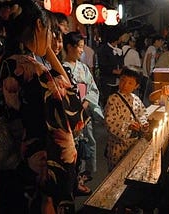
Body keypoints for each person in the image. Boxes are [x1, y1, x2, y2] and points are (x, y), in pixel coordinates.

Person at [0, 1, 84, 213]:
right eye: (50, 31)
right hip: (42, 175)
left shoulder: (1, 63)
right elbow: (74, 115)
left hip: (16, 165)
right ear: (39, 27)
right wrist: (50, 54)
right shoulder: (34, 70)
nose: (52, 38)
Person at [62, 31, 103, 195]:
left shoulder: (83, 68)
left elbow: (92, 89)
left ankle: (81, 177)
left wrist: (85, 104)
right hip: (69, 116)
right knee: (72, 148)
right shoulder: (61, 68)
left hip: (84, 113)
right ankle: (71, 181)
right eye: (79, 47)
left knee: (86, 144)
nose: (81, 50)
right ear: (69, 47)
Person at [104, 66, 149, 172]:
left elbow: (142, 114)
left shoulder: (136, 99)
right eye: (123, 80)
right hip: (118, 146)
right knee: (117, 171)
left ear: (136, 86)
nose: (125, 85)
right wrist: (128, 126)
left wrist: (143, 124)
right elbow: (110, 122)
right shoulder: (113, 99)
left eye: (130, 83)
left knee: (130, 169)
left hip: (133, 144)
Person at [97, 26, 125, 107]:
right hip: (107, 81)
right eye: (120, 36)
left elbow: (121, 63)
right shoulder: (103, 50)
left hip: (118, 81)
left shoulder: (119, 48)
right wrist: (115, 71)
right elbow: (102, 66)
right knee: (108, 103)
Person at [142, 35, 164, 106]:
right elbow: (148, 60)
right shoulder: (152, 48)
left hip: (149, 71)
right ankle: (146, 104)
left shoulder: (153, 48)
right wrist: (148, 71)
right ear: (156, 41)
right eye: (161, 41)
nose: (162, 43)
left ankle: (146, 104)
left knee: (147, 89)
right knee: (147, 90)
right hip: (149, 72)